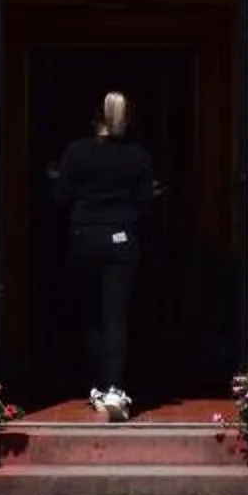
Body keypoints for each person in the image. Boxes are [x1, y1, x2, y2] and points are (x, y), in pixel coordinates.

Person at [50, 90, 157, 420]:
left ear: (94, 118)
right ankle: (114, 387)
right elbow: (145, 202)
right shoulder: (137, 156)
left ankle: (95, 383)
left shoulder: (76, 152)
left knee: (92, 314)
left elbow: (60, 197)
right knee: (115, 316)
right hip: (122, 237)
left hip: (85, 236)